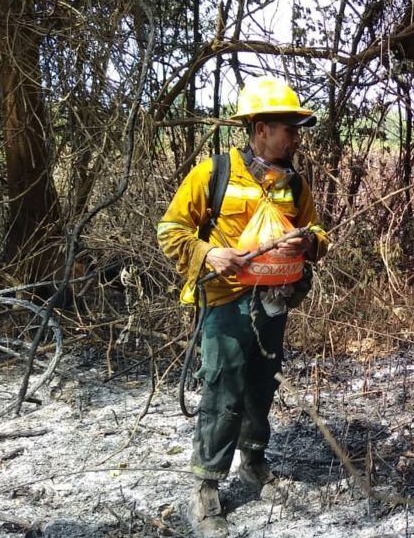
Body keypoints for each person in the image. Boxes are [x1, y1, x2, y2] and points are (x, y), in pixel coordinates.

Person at [157, 75, 330, 537]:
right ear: (260, 129)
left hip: (274, 302)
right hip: (225, 302)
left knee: (261, 384)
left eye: (297, 130)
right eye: (288, 129)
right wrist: (209, 253)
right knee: (223, 390)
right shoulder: (213, 173)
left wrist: (308, 244)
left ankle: (253, 461)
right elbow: (170, 230)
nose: (296, 138)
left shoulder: (294, 184)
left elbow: (318, 232)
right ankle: (207, 487)